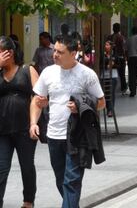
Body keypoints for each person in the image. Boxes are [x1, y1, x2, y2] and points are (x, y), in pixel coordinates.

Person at [29, 35, 105, 208]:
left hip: (77, 136)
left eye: (60, 52)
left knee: (71, 182)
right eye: (55, 50)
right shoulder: (48, 72)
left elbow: (101, 102)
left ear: (73, 53)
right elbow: (37, 100)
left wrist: (81, 106)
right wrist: (33, 122)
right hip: (54, 136)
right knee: (61, 180)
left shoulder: (87, 75)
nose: (55, 54)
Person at [0, 37, 38, 208]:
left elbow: (38, 97)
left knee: (27, 166)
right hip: (2, 130)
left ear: (10, 53)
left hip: (24, 128)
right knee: (1, 168)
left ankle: (28, 201)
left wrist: (34, 123)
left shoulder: (27, 70)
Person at [101, 39, 118, 117]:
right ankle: (108, 108)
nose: (106, 46)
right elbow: (100, 64)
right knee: (106, 93)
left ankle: (110, 110)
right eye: (105, 45)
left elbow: (119, 64)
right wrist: (106, 65)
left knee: (111, 93)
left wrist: (113, 65)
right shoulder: (102, 55)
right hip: (104, 76)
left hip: (113, 76)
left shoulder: (115, 55)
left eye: (107, 45)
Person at [111, 23, 127, 94]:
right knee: (122, 74)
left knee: (112, 73)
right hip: (120, 58)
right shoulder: (121, 37)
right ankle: (123, 88)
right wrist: (125, 56)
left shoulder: (110, 37)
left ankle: (113, 87)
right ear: (119, 29)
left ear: (113, 28)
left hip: (111, 58)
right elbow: (123, 48)